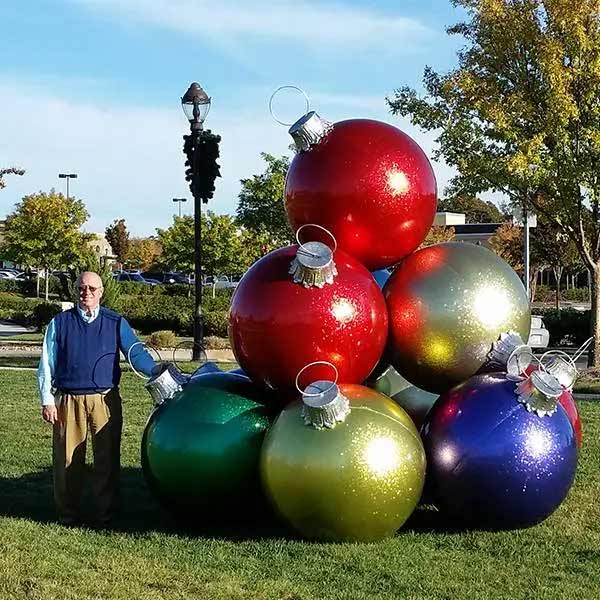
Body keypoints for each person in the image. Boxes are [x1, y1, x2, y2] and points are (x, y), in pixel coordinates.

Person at [38, 271, 156, 527]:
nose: (86, 293)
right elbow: (47, 363)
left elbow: (136, 353)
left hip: (105, 400)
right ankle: (67, 514)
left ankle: (106, 514)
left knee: (107, 459)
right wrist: (47, 399)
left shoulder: (116, 322)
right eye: (82, 288)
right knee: (67, 460)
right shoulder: (60, 322)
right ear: (76, 290)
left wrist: (155, 369)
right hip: (68, 400)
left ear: (101, 291)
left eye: (92, 288)